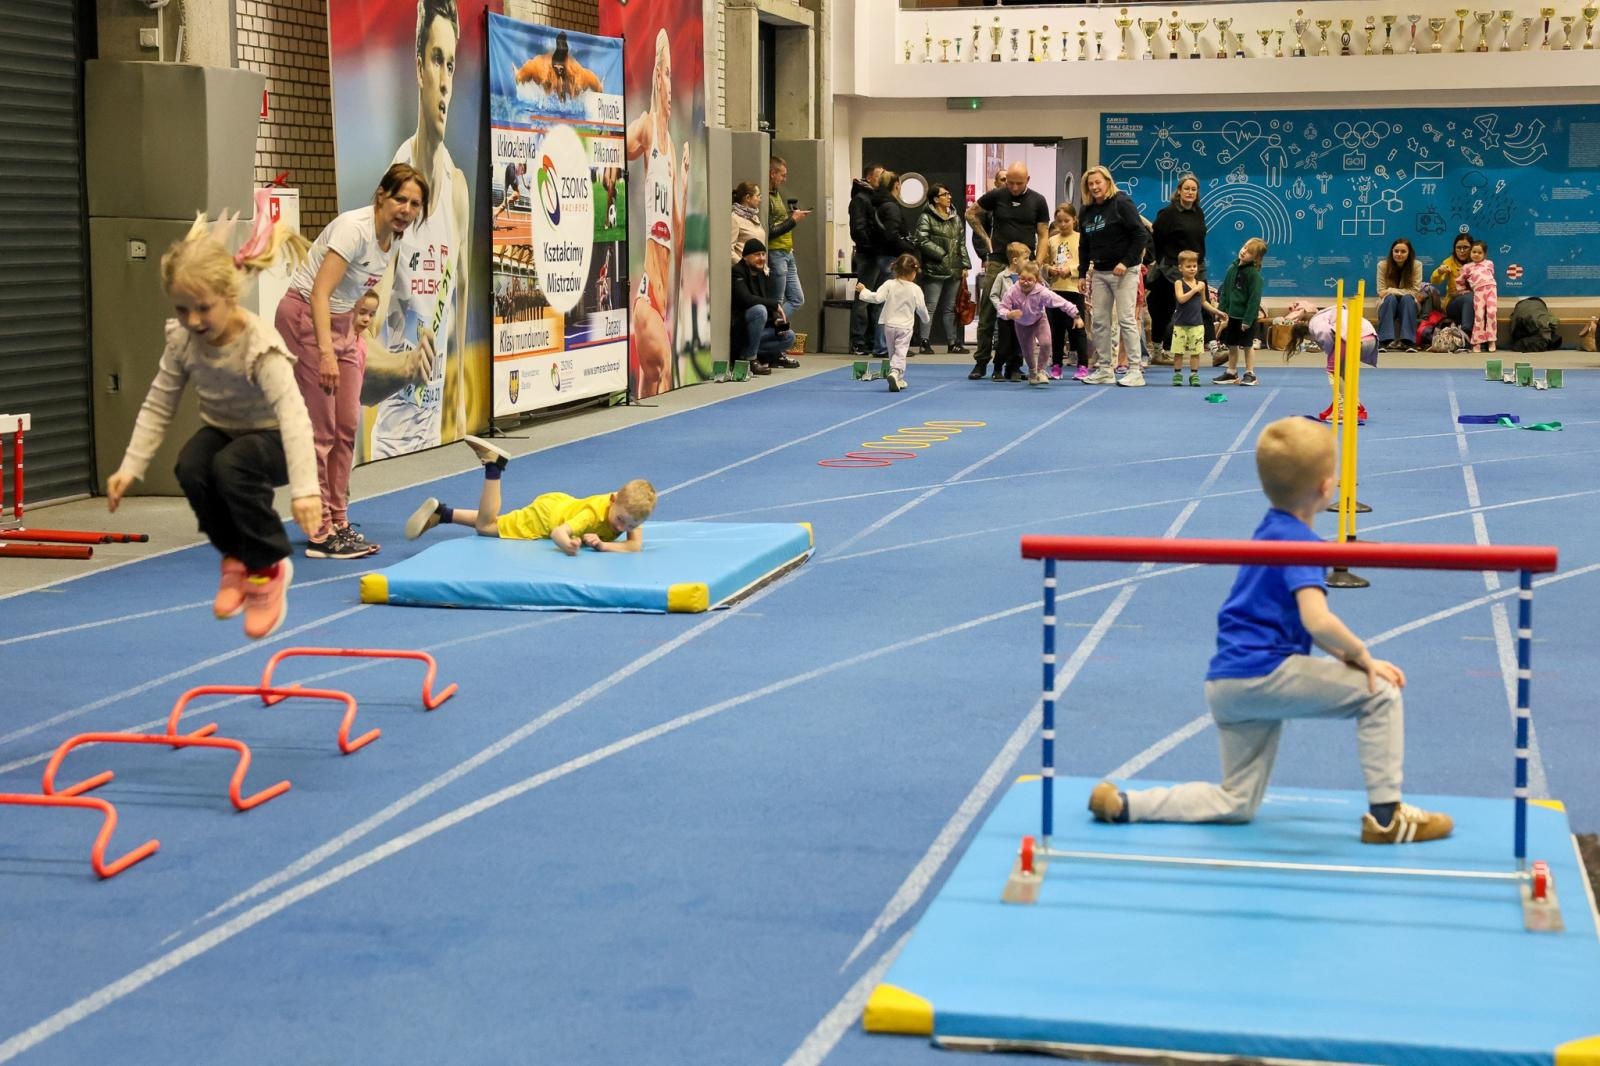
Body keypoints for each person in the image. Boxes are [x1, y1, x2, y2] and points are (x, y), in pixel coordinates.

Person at [1087, 416, 1453, 846]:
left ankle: (1126, 804)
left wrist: (1344, 657)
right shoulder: (1301, 544)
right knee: (1381, 694)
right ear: (1325, 488)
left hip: (1227, 682)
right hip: (1265, 674)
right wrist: (1365, 657)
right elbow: (1317, 620)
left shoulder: (1267, 529)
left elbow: (1303, 623)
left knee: (1236, 801)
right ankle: (1388, 818)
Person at [107, 209, 319, 641]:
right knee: (190, 467)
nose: (194, 321)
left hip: (276, 440)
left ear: (230, 296)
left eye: (203, 309)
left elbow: (295, 418)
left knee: (230, 467)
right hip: (225, 430)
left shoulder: (261, 347)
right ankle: (236, 560)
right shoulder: (183, 340)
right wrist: (130, 466)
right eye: (182, 310)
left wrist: (305, 491)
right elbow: (159, 402)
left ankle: (268, 568)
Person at [279, 163, 430, 560]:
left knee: (347, 426)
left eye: (415, 204)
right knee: (322, 430)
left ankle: (339, 520)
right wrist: (327, 352)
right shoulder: (353, 229)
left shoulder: (393, 238)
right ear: (381, 195)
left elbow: (360, 291)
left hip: (343, 322)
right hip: (307, 318)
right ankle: (318, 530)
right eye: (401, 199)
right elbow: (318, 293)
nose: (407, 209)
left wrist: (353, 336)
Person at [369, 0, 471, 460]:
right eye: (436, 60)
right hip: (392, 434)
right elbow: (373, 303)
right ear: (418, 69)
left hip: (437, 430)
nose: (446, 80)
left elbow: (461, 292)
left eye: (452, 63)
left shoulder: (456, 187)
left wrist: (464, 408)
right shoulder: (397, 191)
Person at [406, 436, 655, 555]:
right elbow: (559, 533)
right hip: (546, 517)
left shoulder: (629, 510)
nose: (622, 526)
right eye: (621, 520)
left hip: (560, 503)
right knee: (486, 526)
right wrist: (567, 545)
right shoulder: (591, 516)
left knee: (498, 522)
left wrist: (604, 544)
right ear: (613, 500)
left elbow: (634, 545)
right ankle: (493, 467)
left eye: (632, 524)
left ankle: (444, 514)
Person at [624, 29, 689, 398]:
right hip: (648, 297)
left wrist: (682, 185)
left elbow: (678, 244)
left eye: (670, 74)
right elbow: (618, 145)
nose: (667, 83)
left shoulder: (671, 151)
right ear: (654, 78)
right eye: (662, 73)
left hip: (664, 300)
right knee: (661, 368)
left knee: (653, 382)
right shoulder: (648, 127)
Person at [966, 163, 1050, 380]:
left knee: (1025, 314)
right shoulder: (996, 195)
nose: (1013, 187)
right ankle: (981, 362)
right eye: (1010, 182)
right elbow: (971, 214)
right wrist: (986, 240)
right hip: (997, 259)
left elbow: (1043, 235)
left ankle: (1015, 364)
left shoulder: (1038, 201)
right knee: (987, 312)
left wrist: (1037, 263)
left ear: (1028, 180)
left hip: (1025, 262)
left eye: (1018, 183)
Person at [1077, 165, 1150, 387]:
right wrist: (1082, 273)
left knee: (1127, 318)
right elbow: (1084, 244)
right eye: (1090, 184)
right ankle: (1105, 368)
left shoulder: (1121, 203)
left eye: (1098, 182)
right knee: (1099, 320)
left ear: (1107, 182)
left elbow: (1140, 235)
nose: (1095, 187)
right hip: (1099, 271)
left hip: (1125, 271)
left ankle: (1135, 369)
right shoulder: (1086, 210)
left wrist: (1125, 262)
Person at [1147, 175, 1209, 366]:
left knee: (1204, 307)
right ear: (1179, 191)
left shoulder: (1199, 212)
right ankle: (1157, 351)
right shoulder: (1168, 214)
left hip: (1196, 267)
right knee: (1163, 311)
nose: (1190, 192)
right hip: (1171, 269)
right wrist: (1160, 262)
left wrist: (1198, 264)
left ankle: (1214, 347)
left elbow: (1200, 240)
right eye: (1187, 188)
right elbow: (1156, 239)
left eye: (1194, 189)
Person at [1284, 302, 1377, 423]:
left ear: (1307, 335)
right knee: (1343, 374)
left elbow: (1324, 333)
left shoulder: (1315, 323)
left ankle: (1343, 411)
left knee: (1332, 372)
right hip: (1371, 339)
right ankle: (1354, 404)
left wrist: (1328, 349)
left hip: (1353, 340)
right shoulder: (1330, 314)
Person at [998, 261, 1083, 386]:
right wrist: (1008, 314)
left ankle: (1041, 370)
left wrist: (1076, 315)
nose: (1025, 282)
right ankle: (1032, 371)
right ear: (1018, 277)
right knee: (1027, 350)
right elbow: (1002, 307)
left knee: (1046, 343)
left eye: (1029, 280)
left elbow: (1062, 302)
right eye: (1022, 279)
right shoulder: (1013, 291)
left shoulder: (1042, 292)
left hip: (1039, 319)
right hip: (1021, 323)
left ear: (1036, 280)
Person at [854, 253, 930, 393]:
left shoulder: (889, 284)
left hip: (888, 326)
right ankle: (895, 373)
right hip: (905, 327)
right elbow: (921, 309)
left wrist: (864, 291)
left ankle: (898, 377)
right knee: (901, 353)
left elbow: (877, 298)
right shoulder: (915, 289)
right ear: (913, 272)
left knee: (893, 353)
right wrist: (926, 319)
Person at [914, 182, 970, 355]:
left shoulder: (955, 217)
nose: (949, 197)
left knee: (950, 308)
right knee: (930, 306)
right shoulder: (926, 217)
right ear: (936, 198)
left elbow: (961, 242)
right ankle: (924, 341)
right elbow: (921, 240)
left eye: (949, 194)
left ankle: (953, 343)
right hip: (935, 267)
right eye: (945, 194)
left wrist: (965, 264)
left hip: (954, 268)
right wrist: (942, 254)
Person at [730, 238, 797, 374]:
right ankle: (750, 359)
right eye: (756, 255)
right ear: (745, 257)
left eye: (763, 254)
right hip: (741, 330)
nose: (761, 258)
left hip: (757, 332)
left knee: (789, 336)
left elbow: (764, 300)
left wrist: (775, 322)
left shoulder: (762, 275)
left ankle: (761, 355)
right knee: (759, 310)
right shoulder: (737, 271)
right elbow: (746, 299)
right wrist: (775, 305)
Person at [1211, 237, 1268, 387]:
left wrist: (1248, 320)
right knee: (1232, 345)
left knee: (1247, 346)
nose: (1244, 252)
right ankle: (1231, 372)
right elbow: (1226, 291)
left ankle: (1250, 373)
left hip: (1246, 318)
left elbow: (1254, 299)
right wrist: (1222, 311)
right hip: (1232, 317)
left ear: (1256, 258)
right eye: (1244, 248)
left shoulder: (1254, 275)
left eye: (1249, 252)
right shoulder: (1232, 269)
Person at [1045, 203, 1088, 380]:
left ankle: (1083, 365)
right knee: (1056, 330)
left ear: (1074, 220)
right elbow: (1044, 263)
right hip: (1055, 291)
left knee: (1077, 329)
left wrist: (1071, 270)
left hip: (1074, 289)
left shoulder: (1081, 238)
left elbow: (1087, 264)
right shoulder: (1051, 240)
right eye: (1059, 221)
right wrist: (1050, 270)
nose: (1063, 224)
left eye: (1066, 221)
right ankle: (1056, 365)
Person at [766, 156, 812, 322]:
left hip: (787, 251)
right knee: (776, 302)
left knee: (797, 299)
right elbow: (769, 231)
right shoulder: (767, 197)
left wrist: (791, 217)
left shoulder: (776, 194)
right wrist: (793, 220)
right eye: (782, 175)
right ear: (772, 173)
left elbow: (778, 221)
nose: (785, 179)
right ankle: (770, 335)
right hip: (775, 252)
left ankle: (774, 329)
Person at [1170, 250, 1224, 387]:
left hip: (1197, 325)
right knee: (1179, 351)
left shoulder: (1201, 284)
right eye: (1188, 266)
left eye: (1194, 266)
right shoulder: (1178, 283)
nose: (1192, 269)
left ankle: (1194, 375)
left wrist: (1217, 311)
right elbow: (1181, 299)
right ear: (1180, 268)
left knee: (1195, 352)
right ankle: (1177, 374)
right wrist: (1195, 289)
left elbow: (1204, 302)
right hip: (1181, 325)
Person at [986, 242, 1033, 382]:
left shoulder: (1025, 278)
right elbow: (993, 295)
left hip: (1021, 318)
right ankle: (997, 368)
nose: (1028, 262)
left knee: (1019, 344)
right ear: (1015, 260)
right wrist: (1001, 309)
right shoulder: (1002, 276)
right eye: (1026, 259)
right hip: (1005, 318)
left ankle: (1014, 369)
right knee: (1004, 344)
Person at [512, 30, 604, 99]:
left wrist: (599, 88)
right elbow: (518, 78)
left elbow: (598, 87)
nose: (560, 72)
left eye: (562, 70)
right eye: (557, 69)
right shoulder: (538, 68)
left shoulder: (577, 73)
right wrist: (518, 75)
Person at [1375, 238, 1423, 352]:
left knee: (1407, 299)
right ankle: (1384, 341)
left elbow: (1415, 291)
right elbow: (1381, 292)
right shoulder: (1382, 265)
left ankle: (1408, 341)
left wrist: (1391, 290)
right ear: (1392, 252)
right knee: (1390, 298)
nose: (1399, 254)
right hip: (1387, 302)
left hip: (1409, 303)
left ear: (1409, 253)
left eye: (1403, 251)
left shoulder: (1416, 265)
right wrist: (1391, 293)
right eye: (1396, 251)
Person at [1458, 239, 1499, 353]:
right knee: (1479, 315)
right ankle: (1477, 341)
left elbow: (1490, 275)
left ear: (1484, 254)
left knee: (1491, 312)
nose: (1476, 255)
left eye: (1479, 253)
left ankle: (1491, 339)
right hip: (1478, 292)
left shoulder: (1489, 263)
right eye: (1474, 252)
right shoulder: (1467, 267)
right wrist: (1462, 290)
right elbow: (1459, 280)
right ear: (1470, 253)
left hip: (1491, 289)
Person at [1429, 232, 1476, 331]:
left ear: (1472, 248)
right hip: (1453, 304)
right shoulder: (1449, 262)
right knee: (1469, 298)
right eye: (1458, 247)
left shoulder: (1478, 263)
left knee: (1473, 298)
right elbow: (1434, 281)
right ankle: (1466, 332)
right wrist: (1439, 271)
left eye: (1465, 247)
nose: (1462, 251)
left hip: (1476, 301)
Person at [731, 181, 766, 265]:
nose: (760, 200)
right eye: (758, 196)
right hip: (745, 273)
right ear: (747, 198)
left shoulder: (755, 217)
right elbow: (729, 250)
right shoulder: (734, 218)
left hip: (759, 271)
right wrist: (743, 267)